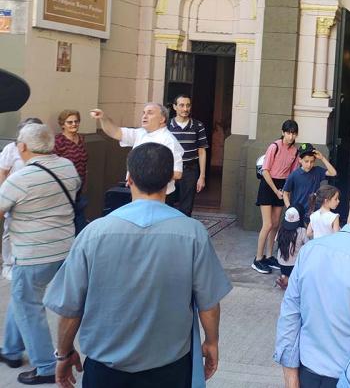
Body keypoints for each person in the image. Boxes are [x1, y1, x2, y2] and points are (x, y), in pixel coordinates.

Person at [44, 142, 232, 388]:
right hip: (170, 370)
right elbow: (208, 303)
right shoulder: (193, 233)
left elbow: (70, 308)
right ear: (169, 182)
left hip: (105, 370)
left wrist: (64, 353)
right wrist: (211, 342)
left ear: (128, 178)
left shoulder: (94, 233)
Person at [274, 184, 350, 388]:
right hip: (348, 380)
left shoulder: (310, 251)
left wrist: (290, 376)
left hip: (305, 376)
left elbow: (289, 313)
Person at [0, 123, 81, 385]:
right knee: (23, 299)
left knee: (29, 305)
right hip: (64, 249)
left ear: (21, 147)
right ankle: (12, 350)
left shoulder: (21, 178)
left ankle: (46, 366)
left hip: (33, 254)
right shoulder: (67, 167)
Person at [90, 104, 184, 196]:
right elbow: (115, 132)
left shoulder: (169, 140)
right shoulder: (140, 133)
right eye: (144, 113)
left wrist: (145, 176)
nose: (145, 116)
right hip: (137, 192)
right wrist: (103, 118)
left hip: (159, 197)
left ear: (162, 119)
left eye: (150, 113)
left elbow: (177, 173)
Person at [0, 118, 43, 281]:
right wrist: (4, 196)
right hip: (14, 197)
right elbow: (3, 173)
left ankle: (27, 263)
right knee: (9, 231)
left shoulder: (41, 150)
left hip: (34, 197)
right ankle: (8, 265)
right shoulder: (11, 149)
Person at [255, 120, 299, 274]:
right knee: (267, 224)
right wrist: (275, 191)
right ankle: (258, 259)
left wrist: (285, 191)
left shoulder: (295, 151)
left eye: (293, 133)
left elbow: (292, 173)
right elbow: (265, 170)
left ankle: (268, 255)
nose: (290, 136)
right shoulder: (274, 146)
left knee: (275, 224)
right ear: (283, 132)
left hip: (282, 186)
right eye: (288, 132)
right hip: (268, 185)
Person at [167, 94, 209, 217]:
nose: (185, 109)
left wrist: (202, 176)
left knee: (186, 207)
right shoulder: (167, 126)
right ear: (175, 107)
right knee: (167, 204)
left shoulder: (198, 126)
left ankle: (182, 233)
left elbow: (201, 151)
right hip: (170, 170)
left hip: (190, 170)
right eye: (181, 105)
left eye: (188, 105)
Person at [282, 143, 337, 219]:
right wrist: (290, 208)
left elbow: (333, 173)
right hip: (297, 212)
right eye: (306, 161)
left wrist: (322, 158)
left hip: (313, 212)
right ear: (300, 160)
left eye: (312, 161)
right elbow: (285, 193)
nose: (309, 164)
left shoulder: (317, 171)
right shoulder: (294, 175)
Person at [54, 109, 88, 189]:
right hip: (65, 186)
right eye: (70, 122)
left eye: (76, 121)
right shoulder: (58, 141)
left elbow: (84, 163)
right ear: (62, 125)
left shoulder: (81, 138)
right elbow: (54, 165)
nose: (74, 124)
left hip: (81, 184)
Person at [276, 207, 308, 290]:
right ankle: (289, 281)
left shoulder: (281, 229)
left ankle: (284, 277)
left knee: (286, 272)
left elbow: (276, 240)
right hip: (294, 266)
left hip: (282, 264)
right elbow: (308, 245)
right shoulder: (302, 231)